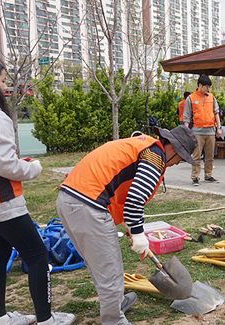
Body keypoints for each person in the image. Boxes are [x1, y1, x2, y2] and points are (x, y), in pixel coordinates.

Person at [57, 125, 198, 325]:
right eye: (181, 159)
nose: (176, 164)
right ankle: (114, 320)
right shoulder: (156, 157)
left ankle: (115, 304)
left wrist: (132, 228)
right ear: (174, 149)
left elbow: (120, 186)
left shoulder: (143, 145)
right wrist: (139, 234)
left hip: (70, 199)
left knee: (99, 263)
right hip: (87, 205)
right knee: (110, 268)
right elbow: (134, 200)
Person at [0, 55, 75, 325]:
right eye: (3, 80)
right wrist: (34, 168)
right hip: (2, 202)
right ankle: (46, 318)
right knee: (38, 255)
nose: (5, 87)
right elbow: (4, 166)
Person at [183, 75, 222, 185]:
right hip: (197, 132)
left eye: (209, 87)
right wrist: (186, 131)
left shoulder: (211, 97)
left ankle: (208, 175)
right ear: (200, 85)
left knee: (210, 156)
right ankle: (195, 177)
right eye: (206, 87)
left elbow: (216, 113)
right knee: (196, 156)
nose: (208, 89)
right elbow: (187, 116)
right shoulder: (191, 98)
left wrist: (219, 128)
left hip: (210, 131)